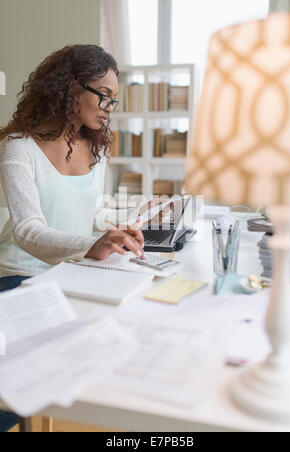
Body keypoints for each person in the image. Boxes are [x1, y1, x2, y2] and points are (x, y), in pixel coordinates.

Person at [0, 44, 145, 432]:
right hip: (20, 276)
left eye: (115, 99)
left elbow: (87, 216)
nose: (109, 107)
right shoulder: (18, 149)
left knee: (120, 341)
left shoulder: (95, 149)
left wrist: (118, 229)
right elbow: (28, 230)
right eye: (104, 96)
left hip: (75, 273)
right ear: (70, 88)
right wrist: (89, 244)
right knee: (32, 382)